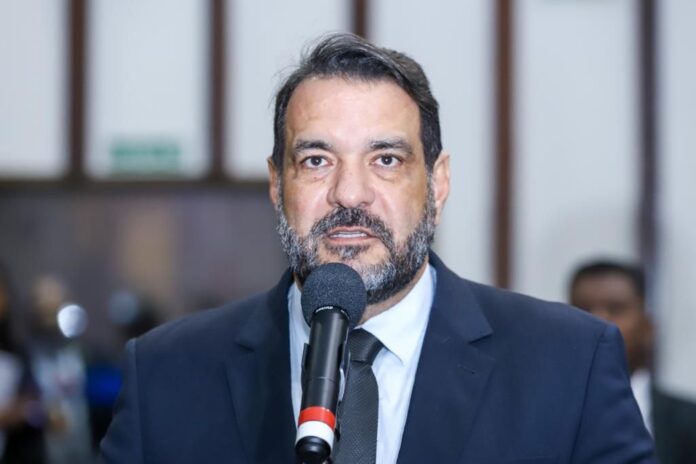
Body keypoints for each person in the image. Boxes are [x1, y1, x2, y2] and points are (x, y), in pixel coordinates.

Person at [101, 33, 655, 463]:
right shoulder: (166, 375)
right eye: (316, 160)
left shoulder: (569, 364)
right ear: (276, 184)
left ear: (438, 182)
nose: (349, 193)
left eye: (385, 159)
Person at [568, 260, 654, 432]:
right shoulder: (538, 411)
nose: (598, 321)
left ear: (646, 327)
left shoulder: (688, 421)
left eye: (616, 309)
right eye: (583, 309)